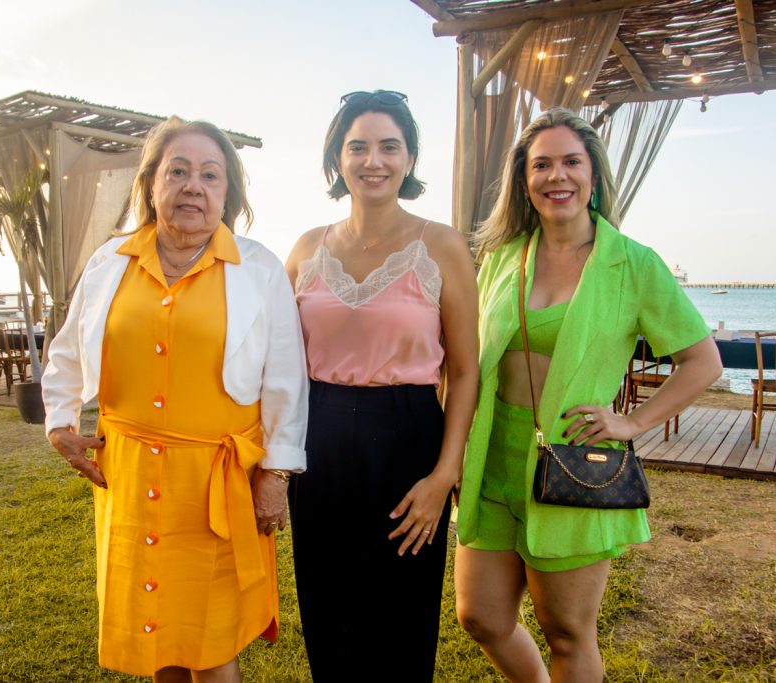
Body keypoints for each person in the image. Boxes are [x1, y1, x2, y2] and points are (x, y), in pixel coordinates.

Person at [455, 107, 723, 682]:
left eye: (571, 162)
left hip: (571, 463)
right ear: (524, 182)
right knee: (481, 616)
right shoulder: (503, 258)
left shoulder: (633, 264)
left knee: (569, 633)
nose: (558, 176)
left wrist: (630, 422)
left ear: (594, 176)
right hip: (494, 459)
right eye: (542, 164)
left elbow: (703, 362)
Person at [42, 117, 308, 682]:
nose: (194, 186)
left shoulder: (258, 269)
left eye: (211, 175)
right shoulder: (109, 261)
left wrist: (277, 476)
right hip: (131, 476)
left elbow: (286, 377)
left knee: (210, 645)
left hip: (216, 482)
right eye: (178, 171)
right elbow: (67, 348)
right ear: (151, 185)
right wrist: (60, 422)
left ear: (228, 193)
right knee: (155, 637)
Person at [285, 90, 479, 681]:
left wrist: (445, 472)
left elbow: (466, 369)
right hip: (318, 444)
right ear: (336, 161)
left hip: (409, 439)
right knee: (328, 614)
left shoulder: (442, 245)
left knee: (401, 620)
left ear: (410, 158)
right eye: (358, 147)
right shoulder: (305, 249)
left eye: (389, 146)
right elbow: (281, 365)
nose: (374, 160)